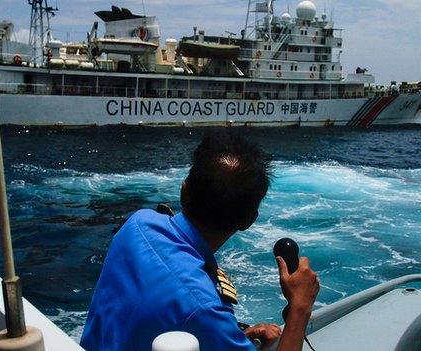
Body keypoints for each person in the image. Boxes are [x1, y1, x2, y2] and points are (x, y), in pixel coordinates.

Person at [81, 132, 319, 351]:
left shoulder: (138, 224)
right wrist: (300, 306)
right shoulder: (203, 308)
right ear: (248, 221)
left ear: (184, 191)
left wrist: (236, 337)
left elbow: (148, 317)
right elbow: (190, 309)